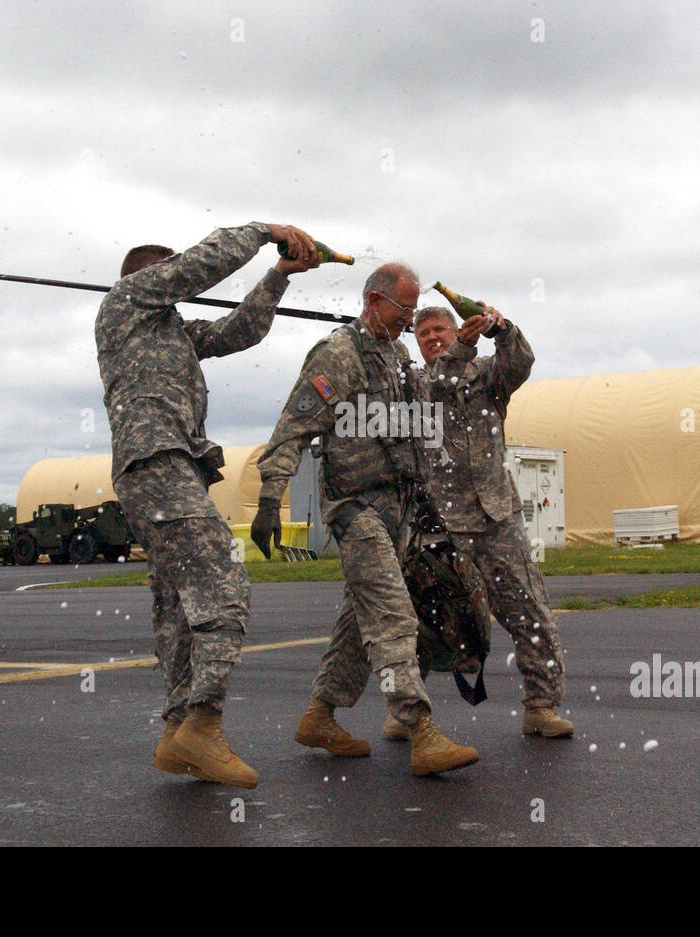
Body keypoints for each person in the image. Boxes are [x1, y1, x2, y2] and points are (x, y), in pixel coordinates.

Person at [95, 221, 319, 789]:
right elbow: (200, 265)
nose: (180, 285)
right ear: (148, 278)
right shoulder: (124, 305)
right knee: (225, 587)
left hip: (168, 468)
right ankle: (205, 719)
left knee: (178, 605)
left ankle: (179, 731)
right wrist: (266, 231)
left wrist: (278, 276)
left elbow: (238, 331)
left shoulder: (170, 331)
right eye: (169, 276)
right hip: (157, 461)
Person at [251, 263, 480, 776]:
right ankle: (420, 729)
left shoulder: (397, 356)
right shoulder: (339, 354)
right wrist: (271, 497)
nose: (410, 319)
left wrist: (463, 349)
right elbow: (294, 424)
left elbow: (428, 402)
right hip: (354, 510)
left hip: (396, 509)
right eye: (404, 309)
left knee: (359, 622)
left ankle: (319, 716)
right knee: (394, 614)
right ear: (375, 300)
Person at [382, 303, 573, 740]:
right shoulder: (414, 383)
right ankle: (406, 714)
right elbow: (440, 386)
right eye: (423, 333)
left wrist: (501, 328)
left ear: (455, 330)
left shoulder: (487, 374)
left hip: (496, 517)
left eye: (441, 330)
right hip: (439, 523)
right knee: (426, 619)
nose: (433, 338)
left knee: (530, 611)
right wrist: (463, 345)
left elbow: (521, 362)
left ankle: (541, 706)